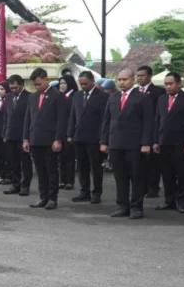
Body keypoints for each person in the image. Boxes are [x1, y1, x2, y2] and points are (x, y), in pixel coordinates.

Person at [100, 69, 155, 220]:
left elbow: (148, 122)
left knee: (136, 177)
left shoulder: (143, 97)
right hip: (116, 143)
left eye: (125, 79)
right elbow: (106, 121)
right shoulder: (113, 97)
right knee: (120, 177)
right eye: (119, 79)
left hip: (134, 144)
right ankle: (122, 206)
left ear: (132, 80)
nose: (121, 82)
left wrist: (146, 143)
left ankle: (136, 207)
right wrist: (104, 141)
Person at [155, 72, 184, 213]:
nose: (168, 86)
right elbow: (157, 121)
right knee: (167, 174)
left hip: (181, 142)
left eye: (171, 84)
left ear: (179, 83)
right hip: (164, 142)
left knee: (182, 174)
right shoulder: (161, 99)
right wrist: (155, 141)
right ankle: (169, 200)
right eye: (166, 84)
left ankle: (182, 202)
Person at [23, 67, 67, 210]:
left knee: (51, 170)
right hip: (35, 139)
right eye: (35, 84)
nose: (37, 87)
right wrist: (25, 138)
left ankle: (52, 198)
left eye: (39, 83)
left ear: (46, 79)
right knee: (40, 170)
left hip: (50, 139)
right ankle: (43, 197)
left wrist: (58, 139)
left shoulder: (58, 96)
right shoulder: (33, 97)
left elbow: (61, 120)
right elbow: (28, 119)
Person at [67, 71, 108, 204]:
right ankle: (84, 191)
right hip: (79, 136)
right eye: (81, 83)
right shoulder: (77, 95)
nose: (83, 86)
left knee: (96, 167)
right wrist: (70, 134)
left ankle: (97, 192)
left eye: (85, 83)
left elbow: (104, 119)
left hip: (94, 137)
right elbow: (73, 115)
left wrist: (103, 138)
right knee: (82, 166)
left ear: (92, 81)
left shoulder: (103, 96)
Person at [135, 65, 166, 198]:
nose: (140, 78)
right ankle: (141, 188)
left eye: (142, 75)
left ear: (149, 76)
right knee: (139, 163)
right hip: (137, 131)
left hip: (153, 130)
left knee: (153, 162)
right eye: (138, 76)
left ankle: (153, 188)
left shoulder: (158, 92)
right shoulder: (134, 92)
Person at [2, 75, 33, 197]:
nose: (13, 90)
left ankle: (25, 186)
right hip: (10, 134)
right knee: (13, 162)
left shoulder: (29, 97)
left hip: (23, 135)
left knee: (25, 162)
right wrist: (5, 133)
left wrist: (28, 136)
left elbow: (30, 118)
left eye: (16, 87)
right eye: (11, 88)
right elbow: (6, 116)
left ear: (21, 85)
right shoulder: (8, 97)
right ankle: (15, 184)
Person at [57, 73, 79, 190]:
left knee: (70, 156)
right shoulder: (59, 96)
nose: (62, 85)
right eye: (60, 83)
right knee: (61, 157)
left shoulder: (75, 96)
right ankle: (62, 179)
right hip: (60, 131)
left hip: (70, 131)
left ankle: (70, 181)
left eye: (64, 83)